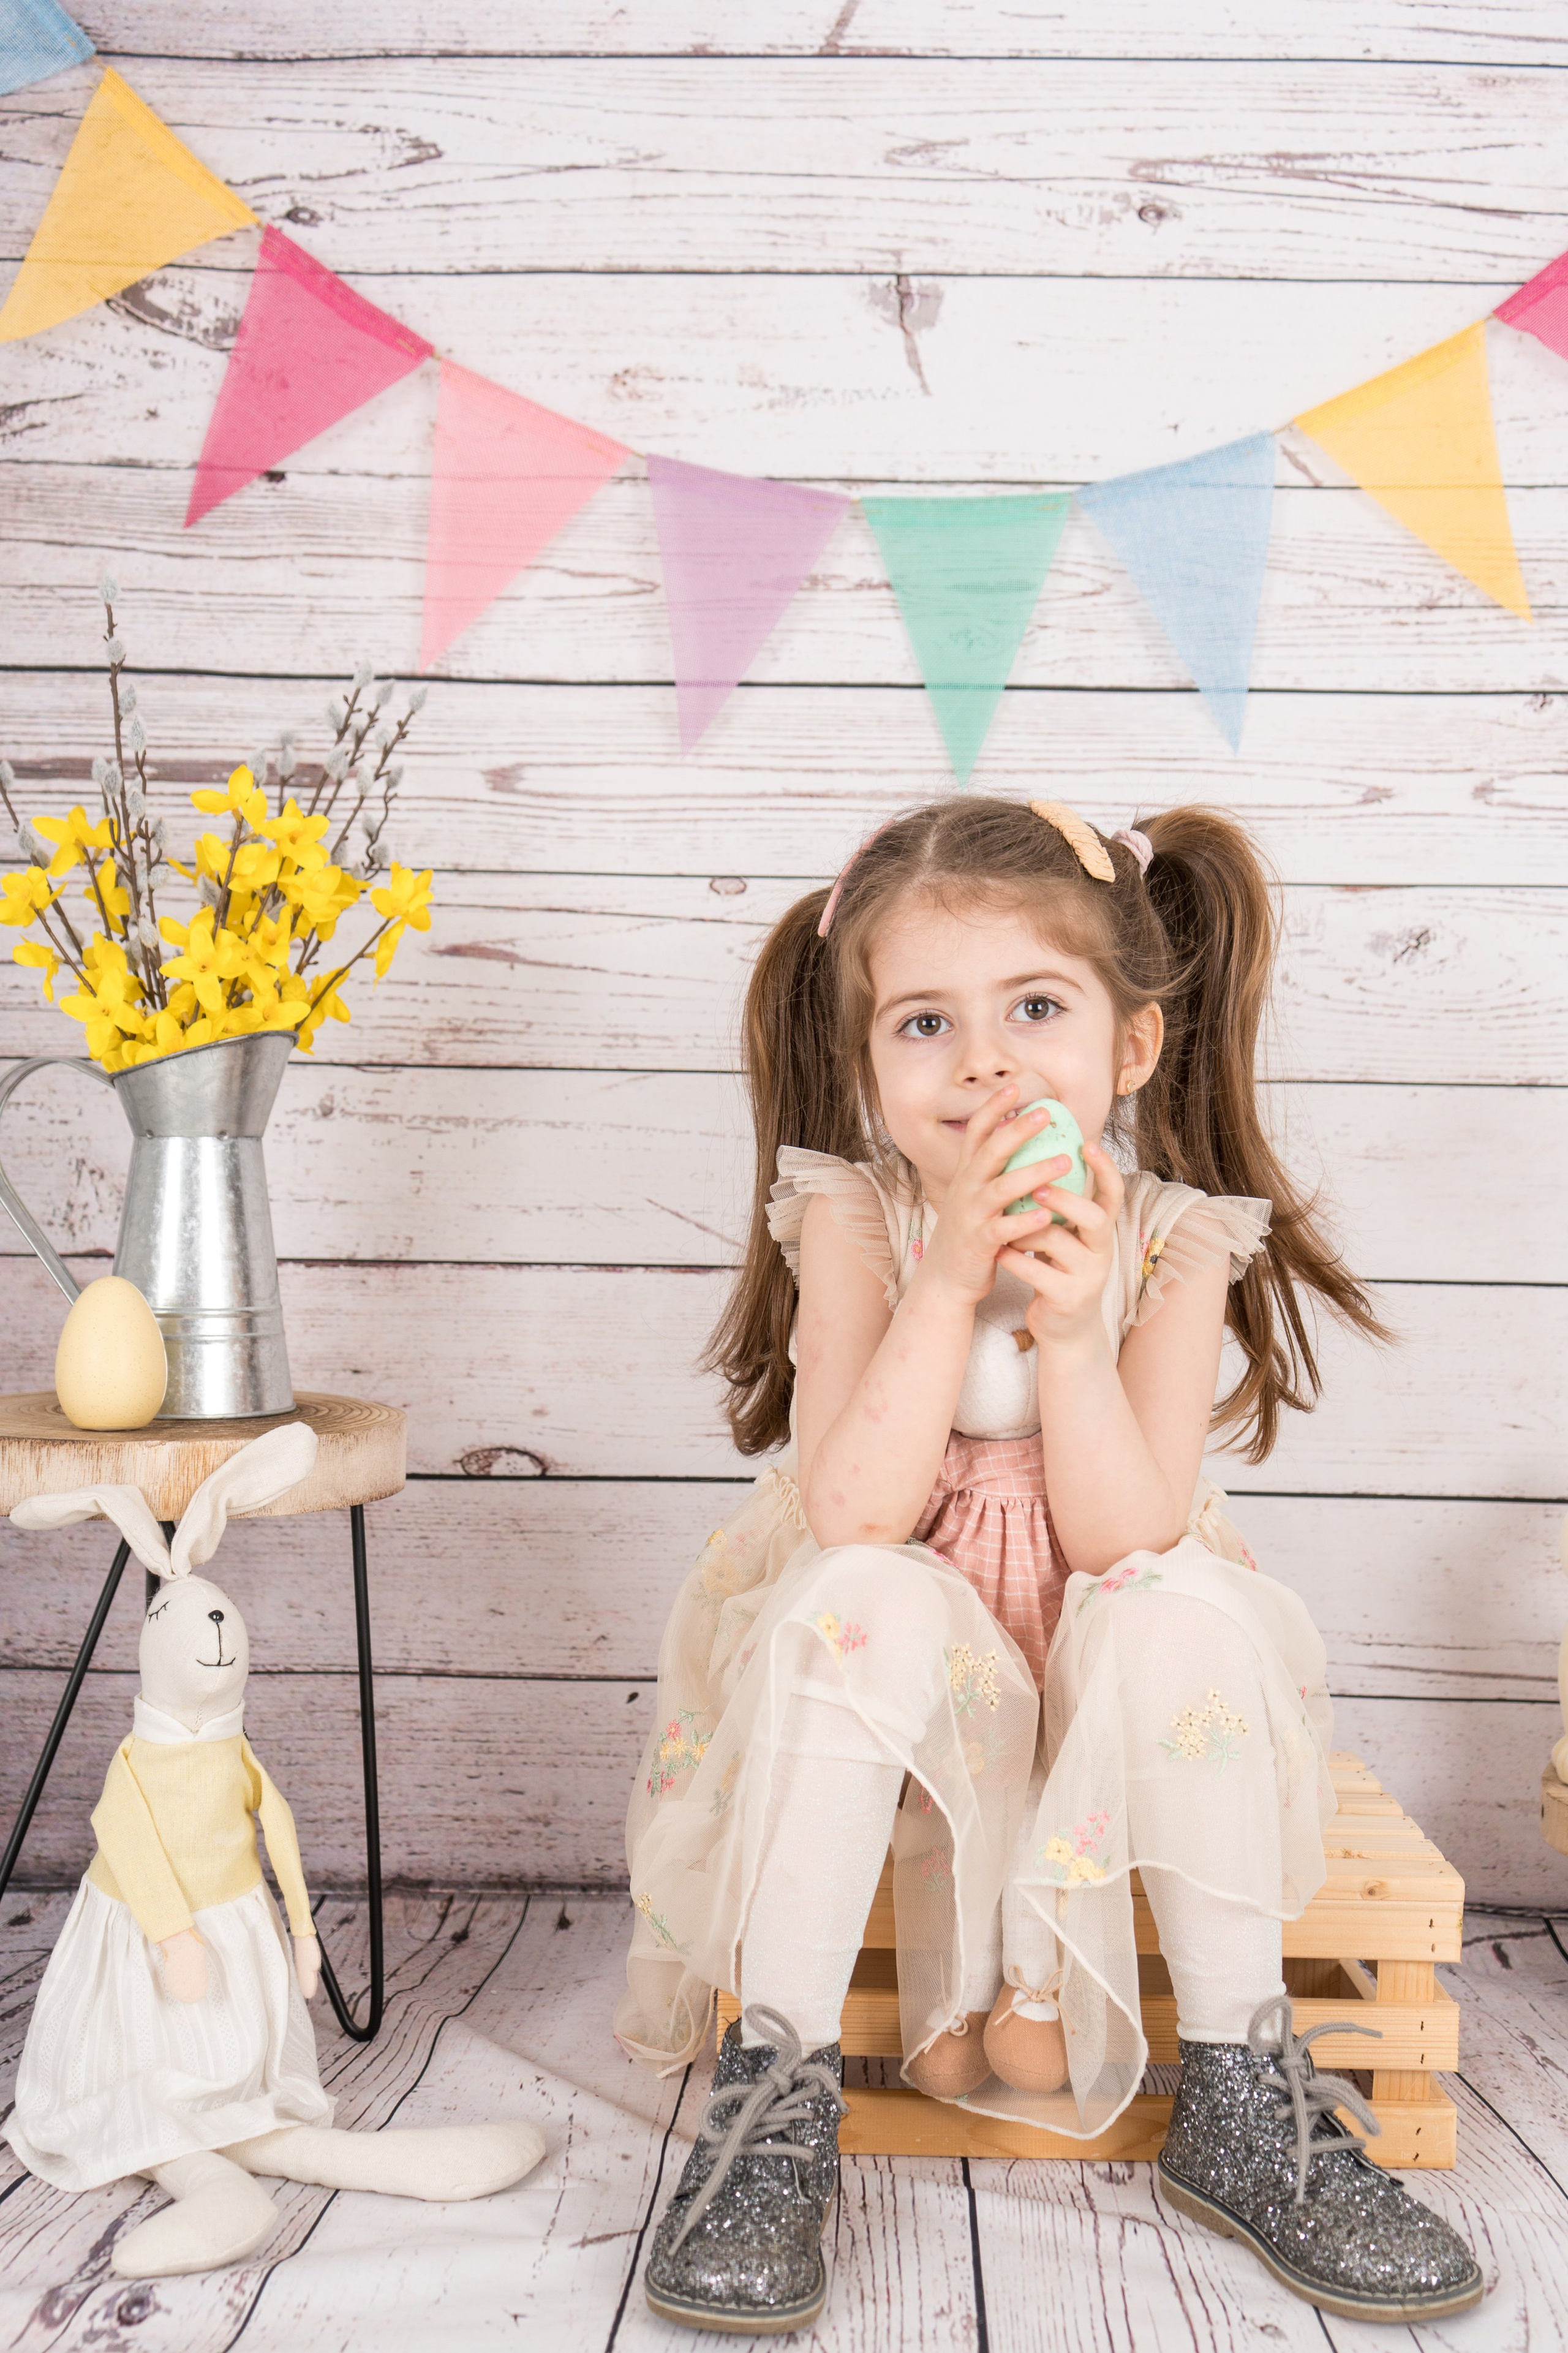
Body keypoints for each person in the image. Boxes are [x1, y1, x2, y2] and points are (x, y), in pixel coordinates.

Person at [616, 797, 1482, 2333]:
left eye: (1032, 1009)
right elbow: (856, 1515)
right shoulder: (856, 1218)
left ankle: (1238, 2091)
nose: (983, 1063)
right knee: (851, 1597)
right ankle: (777, 2089)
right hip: (900, 1693)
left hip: (1099, 1684)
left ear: (1129, 1046)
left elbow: (1124, 1538)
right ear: (867, 1067)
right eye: (924, 1024)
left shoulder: (1169, 1239)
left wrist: (1074, 1334)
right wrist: (947, 1278)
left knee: (1180, 1608)